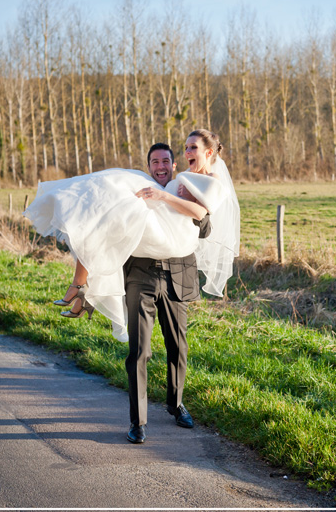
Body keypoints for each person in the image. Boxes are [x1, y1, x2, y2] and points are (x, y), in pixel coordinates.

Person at [23, 130, 240, 345]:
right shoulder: (188, 175)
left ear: (209, 152)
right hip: (161, 221)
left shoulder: (214, 181)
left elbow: (201, 214)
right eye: (185, 148)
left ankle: (82, 287)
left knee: (116, 212)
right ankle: (83, 287)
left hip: (171, 234)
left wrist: (163, 196)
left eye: (193, 148)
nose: (187, 152)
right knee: (111, 195)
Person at [124, 131, 228, 444]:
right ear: (148, 167)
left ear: (172, 165)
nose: (161, 166)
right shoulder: (137, 191)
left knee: (178, 346)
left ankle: (176, 403)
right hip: (140, 274)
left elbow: (205, 227)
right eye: (154, 161)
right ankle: (137, 421)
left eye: (166, 160)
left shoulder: (186, 185)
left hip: (177, 274)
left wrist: (184, 199)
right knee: (139, 350)